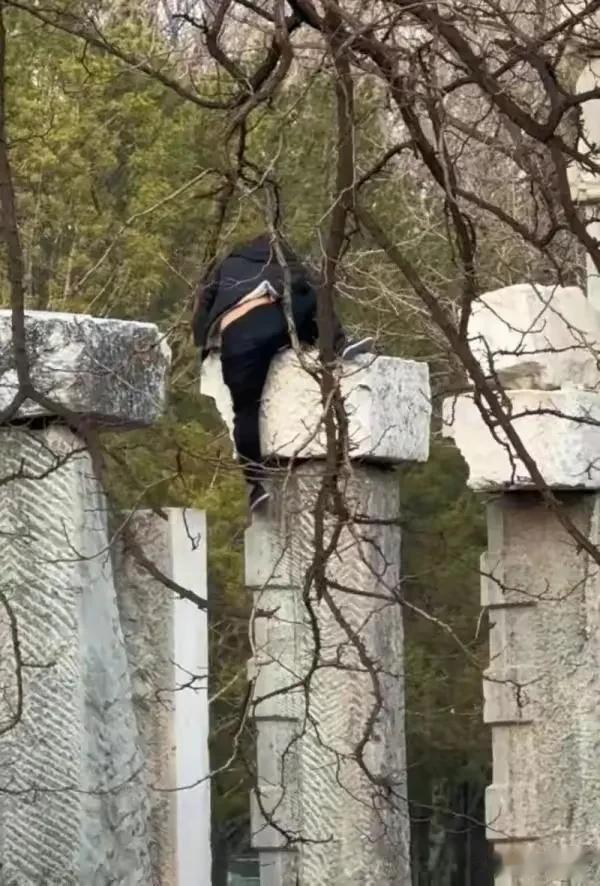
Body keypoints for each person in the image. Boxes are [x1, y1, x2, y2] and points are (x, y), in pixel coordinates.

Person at [192, 233, 374, 511]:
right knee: (311, 293)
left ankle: (255, 484)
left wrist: (206, 347)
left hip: (234, 339)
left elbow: (202, 311)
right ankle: (338, 344)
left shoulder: (227, 265)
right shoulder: (282, 259)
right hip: (269, 321)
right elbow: (305, 286)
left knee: (245, 410)